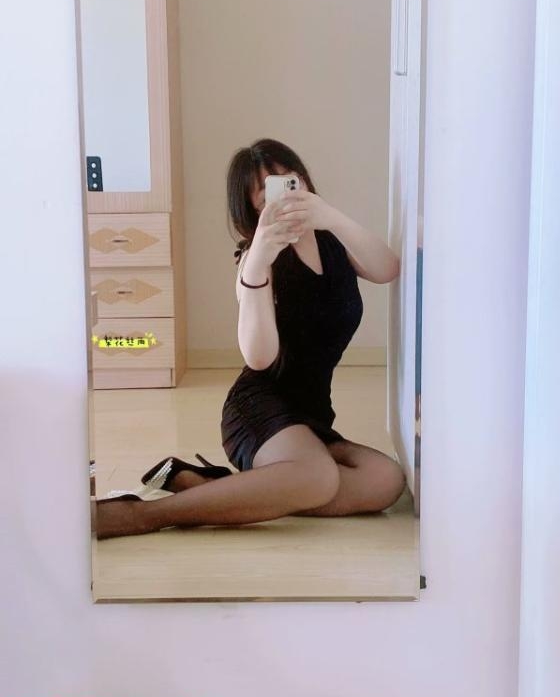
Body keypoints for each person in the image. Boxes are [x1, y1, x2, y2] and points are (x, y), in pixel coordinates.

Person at [93, 138, 405, 539]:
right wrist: (258, 260)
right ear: (255, 210)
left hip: (313, 415)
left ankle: (220, 489)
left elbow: (387, 268)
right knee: (319, 478)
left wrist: (331, 216)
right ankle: (144, 514)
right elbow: (260, 358)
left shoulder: (335, 241)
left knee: (385, 480)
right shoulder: (254, 261)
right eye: (268, 194)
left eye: (291, 180)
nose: (287, 196)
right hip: (259, 410)